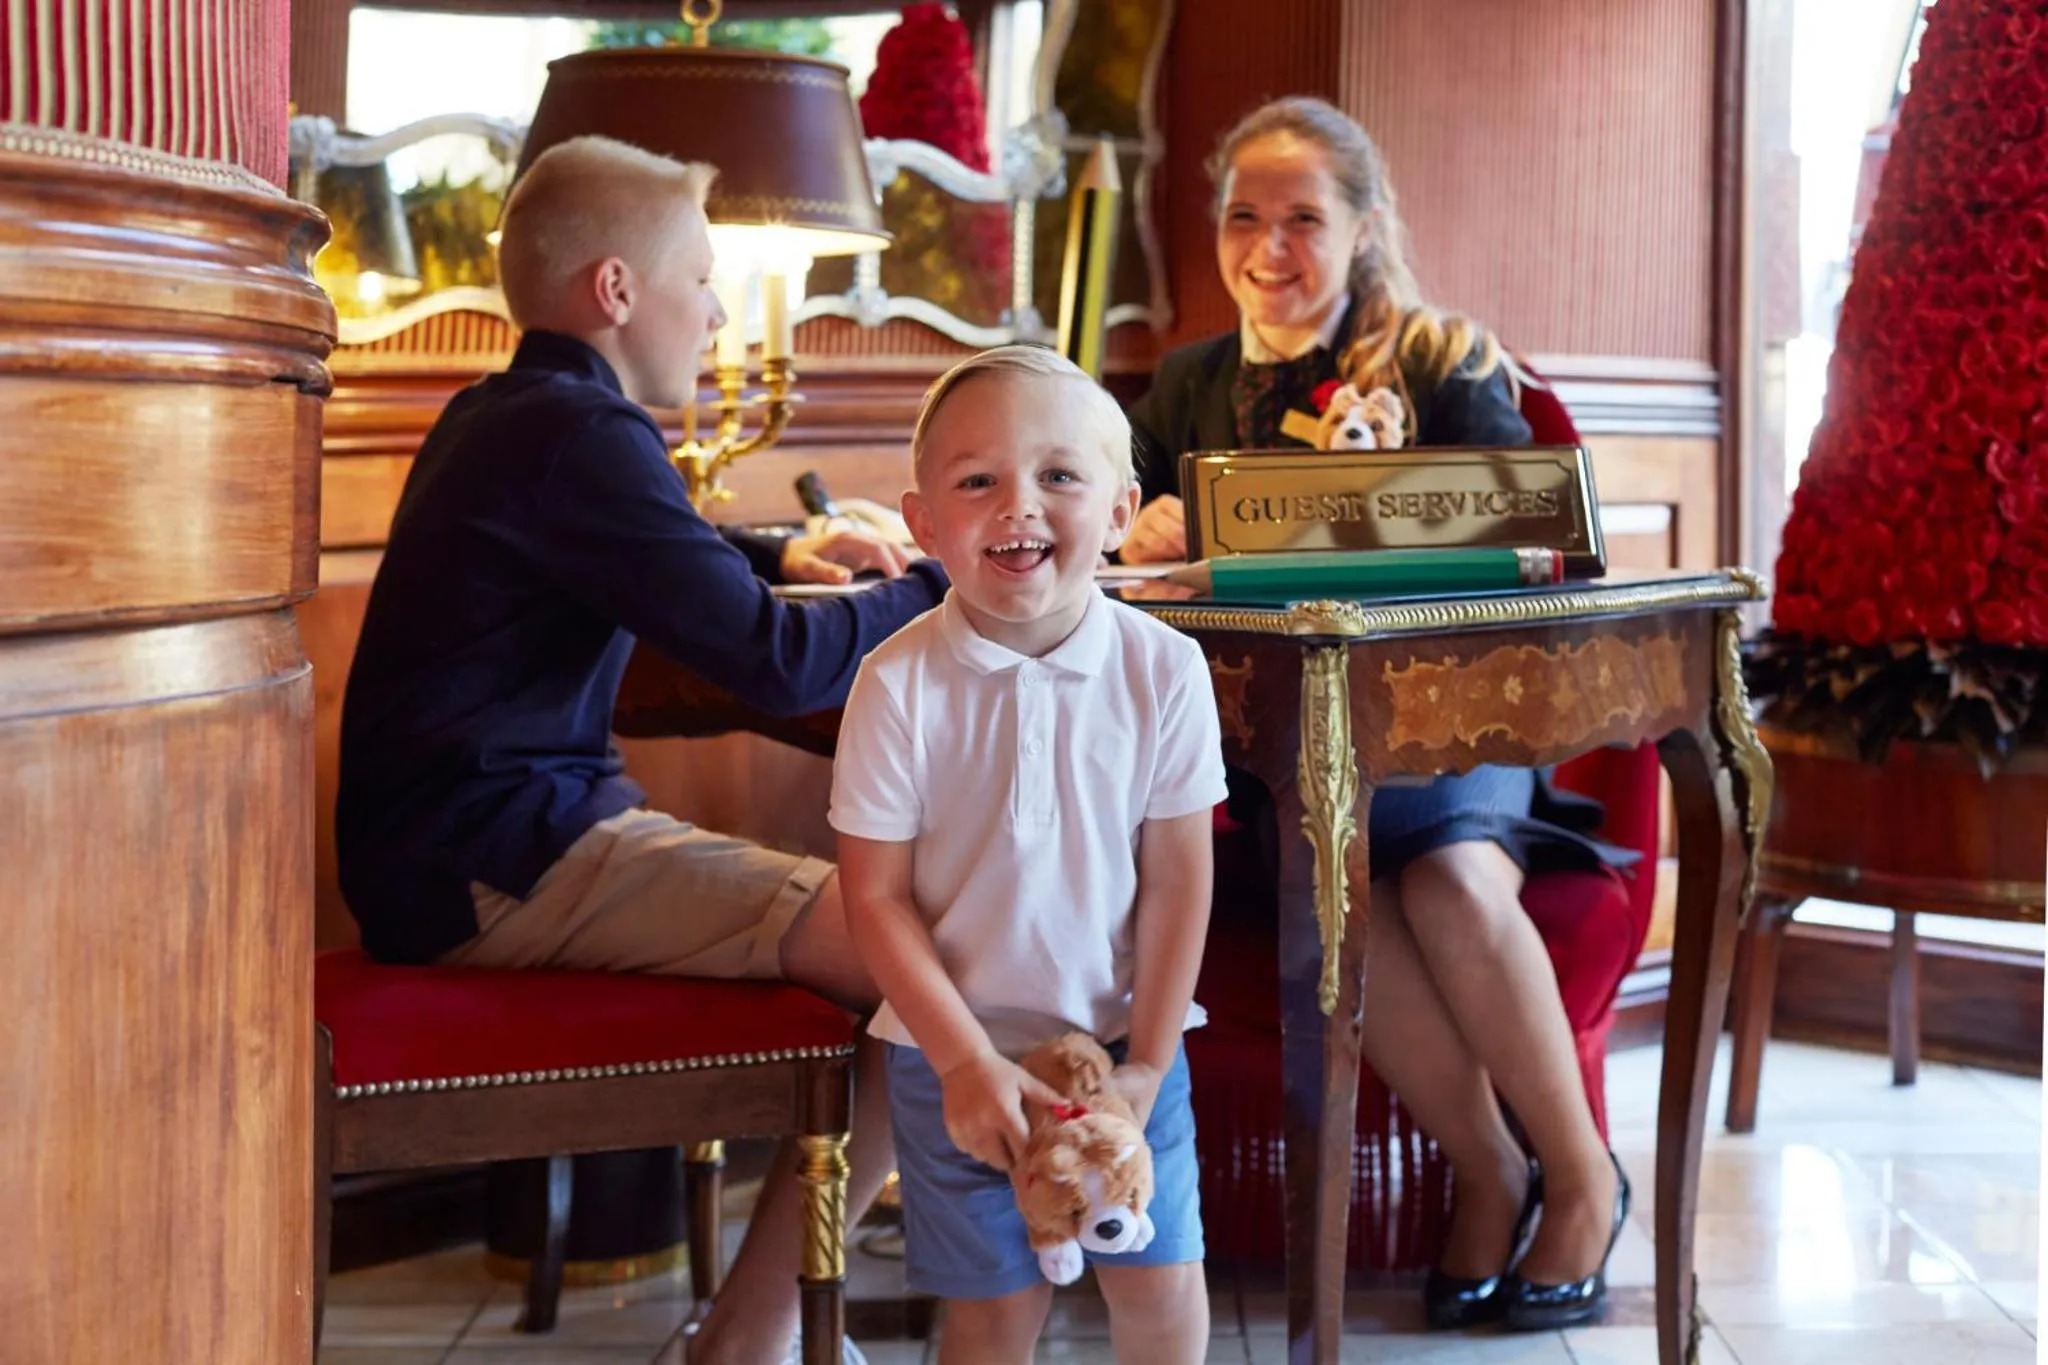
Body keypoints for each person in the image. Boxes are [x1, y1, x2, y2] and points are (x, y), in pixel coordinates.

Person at [335, 134, 944, 1365]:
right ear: (616, 291)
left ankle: (756, 1326)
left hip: (469, 849)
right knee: (932, 956)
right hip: (497, 866)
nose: (718, 312)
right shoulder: (573, 434)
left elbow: (672, 544)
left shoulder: (509, 413)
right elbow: (780, 665)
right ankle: (752, 1337)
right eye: (703, 278)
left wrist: (786, 556)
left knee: (927, 937)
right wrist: (939, 584)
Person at [1120, 97, 1630, 1331]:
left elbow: (1525, 533)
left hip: (1455, 719)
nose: (1267, 249)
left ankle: (1579, 1183)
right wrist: (1138, 528)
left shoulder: (1445, 359)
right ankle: (1489, 1171)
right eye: (1245, 218)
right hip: (1276, 753)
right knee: (1336, 885)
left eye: (1303, 219)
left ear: (1361, 229)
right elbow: (1108, 536)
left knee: (1448, 880)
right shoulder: (1185, 384)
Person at [829, 346, 1227, 1365]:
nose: (1020, 505)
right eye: (977, 481)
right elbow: (872, 897)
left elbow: (1181, 876)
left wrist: (1146, 1063)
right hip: (953, 1061)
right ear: (922, 523)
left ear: (1120, 507)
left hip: (1122, 1050)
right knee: (995, 1313)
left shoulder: (1164, 669)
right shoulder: (894, 684)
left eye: (1058, 476)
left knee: (1161, 1290)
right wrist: (964, 1063)